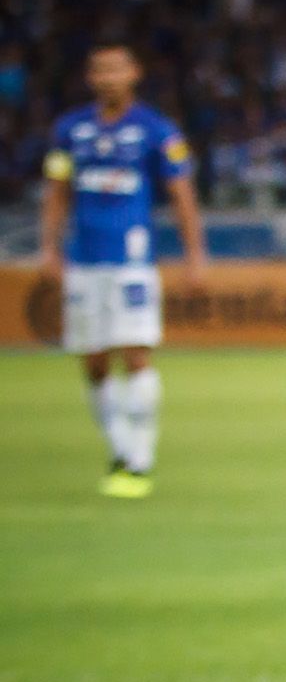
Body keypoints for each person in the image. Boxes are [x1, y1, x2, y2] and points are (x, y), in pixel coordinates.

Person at [38, 44, 207, 499]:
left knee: (136, 354)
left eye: (115, 68)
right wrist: (48, 248)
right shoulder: (70, 130)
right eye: (98, 69)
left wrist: (195, 253)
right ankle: (118, 450)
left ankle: (140, 459)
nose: (107, 76)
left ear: (134, 73)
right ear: (90, 77)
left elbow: (181, 192)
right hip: (84, 261)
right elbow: (56, 191)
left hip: (132, 260)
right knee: (93, 361)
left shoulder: (157, 130)